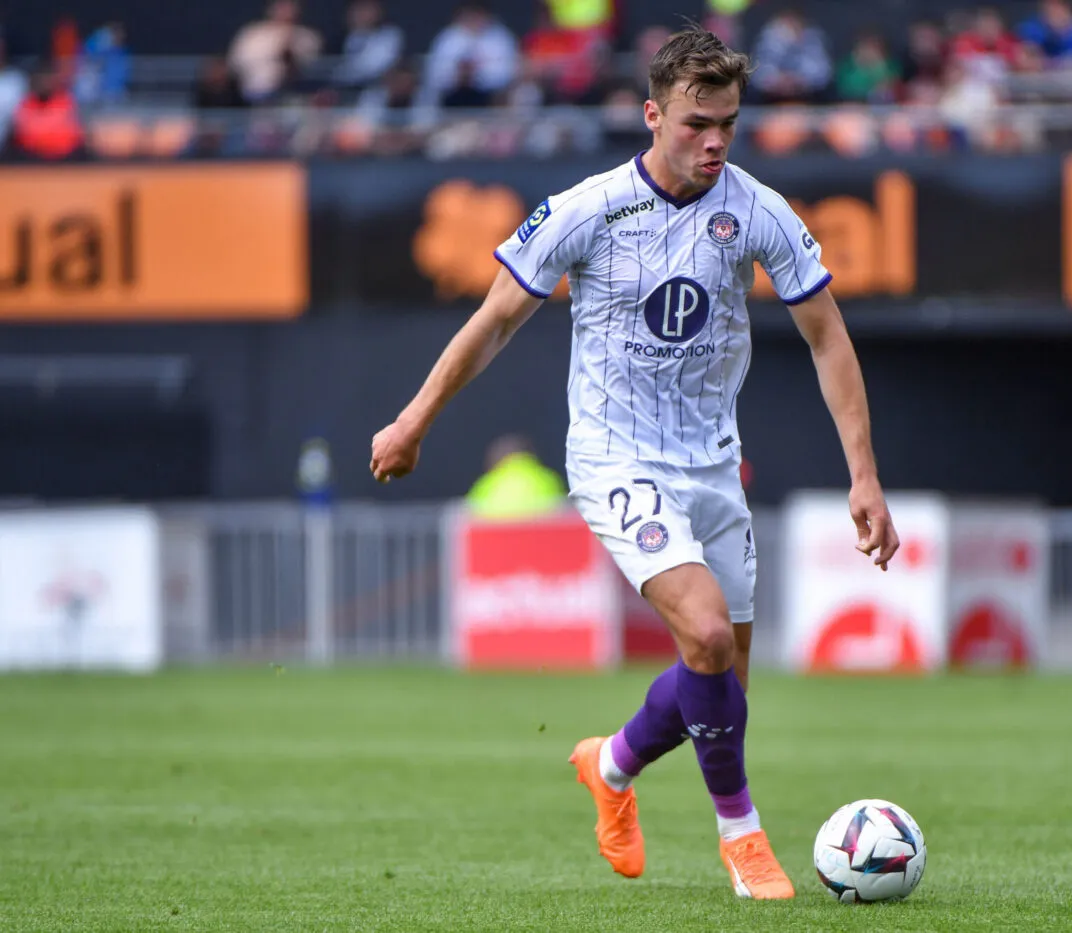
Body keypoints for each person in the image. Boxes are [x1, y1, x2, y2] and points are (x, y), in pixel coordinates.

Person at [369, 25, 899, 900]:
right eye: (697, 122)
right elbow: (497, 317)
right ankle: (744, 840)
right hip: (617, 455)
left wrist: (864, 474)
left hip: (713, 464)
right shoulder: (588, 209)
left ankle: (610, 764)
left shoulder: (757, 210)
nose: (715, 140)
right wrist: (415, 418)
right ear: (653, 115)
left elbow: (827, 336)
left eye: (728, 121)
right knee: (701, 635)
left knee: (720, 675)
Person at [463, 433, 568, 519]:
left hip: (498, 543)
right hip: (543, 543)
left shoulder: (484, 486)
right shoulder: (550, 480)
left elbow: (469, 524)